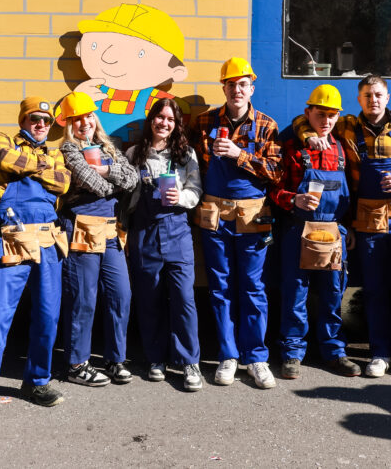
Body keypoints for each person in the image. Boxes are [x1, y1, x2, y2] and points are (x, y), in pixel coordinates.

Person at [293, 75, 391, 382]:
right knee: (374, 288)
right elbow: (303, 120)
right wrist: (309, 137)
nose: (373, 100)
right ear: (359, 100)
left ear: (387, 97)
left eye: (378, 94)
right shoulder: (347, 127)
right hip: (368, 220)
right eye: (367, 95)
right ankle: (379, 354)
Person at [0, 97, 71, 455]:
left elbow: (63, 183)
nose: (41, 124)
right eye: (35, 118)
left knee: (48, 318)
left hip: (49, 242)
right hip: (11, 240)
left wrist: (31, 166)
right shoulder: (2, 139)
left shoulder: (56, 153)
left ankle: (37, 381)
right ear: (23, 119)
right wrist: (40, 167)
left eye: (46, 121)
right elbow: (2, 159)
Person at [191, 57, 282, 389]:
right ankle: (228, 356)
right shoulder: (204, 121)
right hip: (214, 215)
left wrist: (238, 155)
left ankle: (256, 357)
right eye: (231, 84)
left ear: (251, 88)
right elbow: (192, 164)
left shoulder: (266, 125)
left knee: (253, 287)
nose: (237, 90)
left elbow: (276, 172)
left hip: (252, 216)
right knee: (220, 287)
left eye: (243, 84)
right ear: (224, 88)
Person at [270, 84, 360, 380]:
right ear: (308, 112)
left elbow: (351, 192)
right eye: (321, 114)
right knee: (295, 293)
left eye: (332, 115)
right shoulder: (292, 146)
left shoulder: (342, 148)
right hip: (298, 229)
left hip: (334, 231)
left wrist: (350, 227)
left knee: (333, 294)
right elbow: (273, 188)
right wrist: (293, 199)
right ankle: (292, 353)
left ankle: (334, 351)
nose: (327, 120)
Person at [58, 91, 139, 387]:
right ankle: (77, 364)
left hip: (110, 231)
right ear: (69, 124)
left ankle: (115, 359)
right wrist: (116, 179)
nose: (85, 123)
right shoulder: (68, 150)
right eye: (77, 119)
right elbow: (98, 187)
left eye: (89, 116)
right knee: (83, 299)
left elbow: (133, 178)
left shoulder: (108, 146)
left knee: (120, 295)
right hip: (81, 230)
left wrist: (106, 170)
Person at [124, 98, 204, 391]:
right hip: (143, 232)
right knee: (149, 298)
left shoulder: (186, 154)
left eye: (170, 119)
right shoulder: (134, 153)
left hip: (177, 230)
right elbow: (125, 196)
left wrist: (181, 198)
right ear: (151, 119)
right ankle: (155, 358)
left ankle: (189, 362)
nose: (164, 123)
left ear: (177, 124)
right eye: (160, 117)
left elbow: (196, 189)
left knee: (184, 297)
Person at [62, 3, 191, 145]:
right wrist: (77, 97)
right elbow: (62, 121)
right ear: (79, 48)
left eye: (141, 53)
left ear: (176, 71)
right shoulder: (90, 93)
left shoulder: (154, 100)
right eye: (95, 45)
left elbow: (182, 115)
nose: (109, 57)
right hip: (97, 154)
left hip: (139, 155)